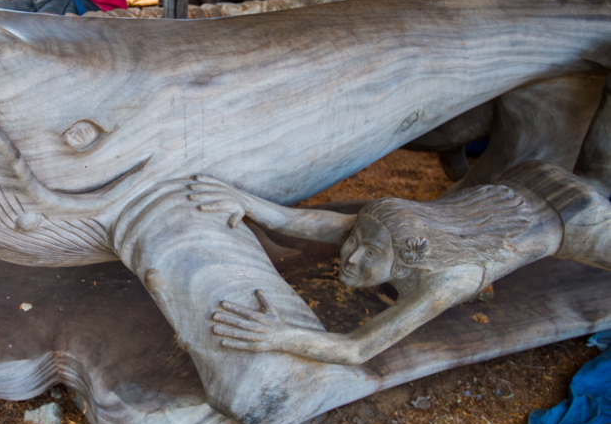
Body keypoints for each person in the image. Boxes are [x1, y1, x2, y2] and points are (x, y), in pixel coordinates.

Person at [185, 160, 611, 366]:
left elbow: (358, 348)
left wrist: (278, 336)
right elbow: (305, 222)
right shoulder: (389, 230)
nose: (349, 256)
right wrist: (244, 200)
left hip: (578, 222)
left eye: (369, 254)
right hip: (532, 180)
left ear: (408, 262)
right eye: (354, 241)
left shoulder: (447, 281)